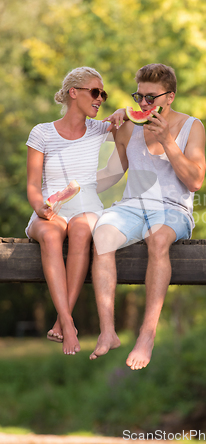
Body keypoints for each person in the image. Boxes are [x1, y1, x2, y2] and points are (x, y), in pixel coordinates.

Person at [90, 63, 206, 369]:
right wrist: (73, 190)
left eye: (150, 98)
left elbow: (195, 181)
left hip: (172, 209)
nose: (143, 104)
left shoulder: (192, 127)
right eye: (138, 96)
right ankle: (108, 331)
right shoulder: (131, 123)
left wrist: (167, 141)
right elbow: (114, 172)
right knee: (101, 234)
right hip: (132, 206)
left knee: (157, 239)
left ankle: (147, 334)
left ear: (170, 97)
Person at [26, 66, 122, 355]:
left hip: (87, 204)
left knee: (81, 232)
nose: (100, 98)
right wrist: (41, 208)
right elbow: (32, 185)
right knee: (52, 236)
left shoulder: (100, 128)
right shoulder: (41, 132)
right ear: (73, 92)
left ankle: (61, 320)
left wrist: (124, 112)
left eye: (103, 94)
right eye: (95, 92)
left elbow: (129, 125)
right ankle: (68, 324)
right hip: (50, 205)